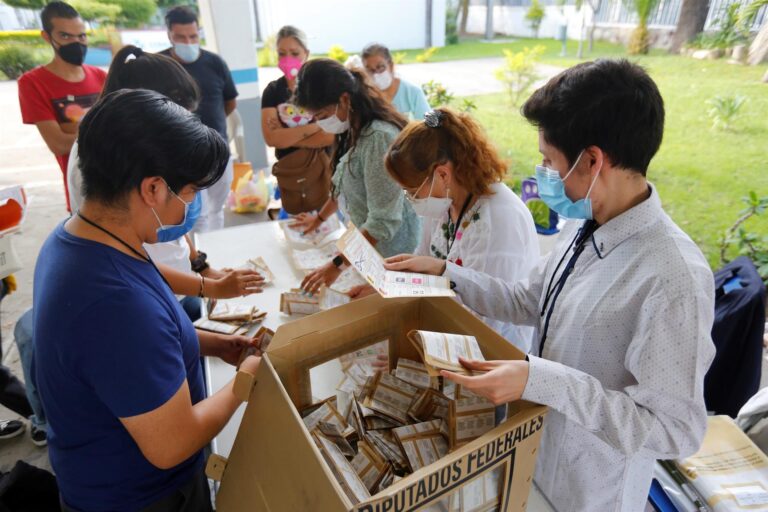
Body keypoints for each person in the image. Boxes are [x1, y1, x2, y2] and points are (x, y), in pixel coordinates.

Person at [386, 60, 716, 511]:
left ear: (593, 160)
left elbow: (674, 429)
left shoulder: (671, 276)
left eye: (549, 160)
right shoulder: (584, 224)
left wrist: (542, 379)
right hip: (540, 455)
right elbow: (529, 299)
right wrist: (446, 274)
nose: (542, 171)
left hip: (591, 491)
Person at [33, 89, 262, 511]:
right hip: (142, 497)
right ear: (154, 188)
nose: (190, 206)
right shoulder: (113, 306)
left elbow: (130, 351)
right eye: (190, 192)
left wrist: (213, 343)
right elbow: (171, 445)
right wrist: (247, 378)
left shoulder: (81, 237)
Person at [67, 45, 264, 313]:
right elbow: (131, 261)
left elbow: (172, 220)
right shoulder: (101, 160)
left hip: (177, 285)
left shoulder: (143, 149)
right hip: (157, 294)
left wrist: (201, 266)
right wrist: (208, 286)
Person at [380, 108, 538, 353]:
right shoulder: (447, 200)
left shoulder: (499, 219)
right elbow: (424, 257)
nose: (411, 199)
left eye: (412, 192)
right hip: (448, 334)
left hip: (492, 351)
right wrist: (385, 284)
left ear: (442, 174)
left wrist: (418, 349)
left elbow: (488, 316)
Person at [290, 58, 421, 294]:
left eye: (321, 114)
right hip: (368, 251)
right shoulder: (352, 127)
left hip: (394, 257)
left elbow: (383, 220)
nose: (320, 123)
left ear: (344, 100)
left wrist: (337, 264)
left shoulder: (378, 138)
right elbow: (345, 183)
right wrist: (319, 219)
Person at [17, 1, 106, 212]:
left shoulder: (100, 76)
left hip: (120, 181)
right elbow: (57, 144)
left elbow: (123, 127)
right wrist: (104, 131)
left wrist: (70, 130)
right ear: (47, 37)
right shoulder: (33, 83)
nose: (77, 43)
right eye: (66, 36)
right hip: (82, 191)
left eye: (81, 36)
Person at [161, 5, 238, 232]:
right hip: (180, 155)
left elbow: (229, 102)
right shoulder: (160, 66)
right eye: (181, 37)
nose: (188, 42)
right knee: (196, 213)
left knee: (216, 210)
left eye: (193, 36)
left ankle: (218, 255)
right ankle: (201, 262)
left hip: (218, 150)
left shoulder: (215, 63)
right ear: (169, 36)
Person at [261, 26, 334, 165]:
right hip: (289, 172)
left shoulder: (321, 86)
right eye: (282, 53)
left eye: (294, 53)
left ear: (306, 53)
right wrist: (317, 127)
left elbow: (330, 136)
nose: (288, 59)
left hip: (324, 168)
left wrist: (285, 136)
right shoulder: (272, 90)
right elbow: (271, 139)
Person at [361, 43, 430, 120]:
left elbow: (429, 127)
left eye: (380, 67)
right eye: (369, 70)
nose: (375, 74)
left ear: (391, 66)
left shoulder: (413, 92)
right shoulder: (365, 96)